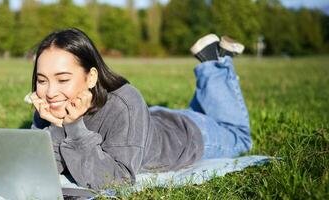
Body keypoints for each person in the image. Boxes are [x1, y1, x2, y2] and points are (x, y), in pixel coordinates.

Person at [28, 28, 252, 190]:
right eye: (42, 80)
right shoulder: (52, 105)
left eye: (63, 79)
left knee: (239, 137)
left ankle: (214, 63)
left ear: (91, 77)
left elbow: (117, 180)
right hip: (152, 122)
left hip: (188, 136)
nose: (49, 92)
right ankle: (214, 61)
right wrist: (54, 125)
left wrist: (73, 127)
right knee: (206, 112)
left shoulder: (124, 101)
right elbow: (43, 167)